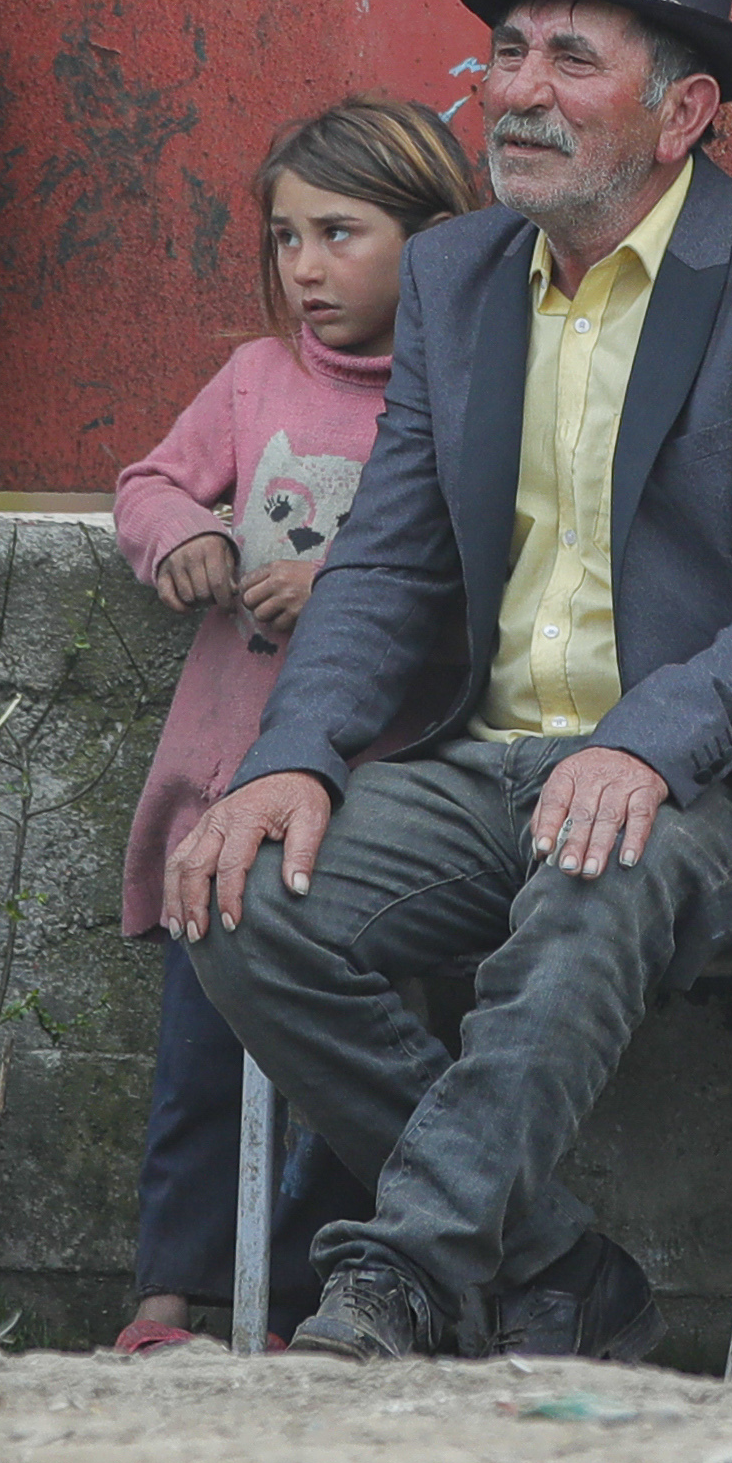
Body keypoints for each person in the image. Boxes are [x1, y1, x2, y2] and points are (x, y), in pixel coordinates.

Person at [166, 0, 732, 1368]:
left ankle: (396, 1278)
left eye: (571, 58)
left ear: (684, 108)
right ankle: (562, 1269)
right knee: (247, 891)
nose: (517, 92)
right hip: (483, 758)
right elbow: (385, 561)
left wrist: (651, 738)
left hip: (711, 778)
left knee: (594, 863)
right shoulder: (459, 275)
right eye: (507, 54)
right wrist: (291, 753)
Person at [103, 91, 483, 1352]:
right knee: (199, 1064)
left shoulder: (462, 399)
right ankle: (168, 1302)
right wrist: (190, 537)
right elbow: (149, 481)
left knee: (343, 1074)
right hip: (224, 775)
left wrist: (349, 585)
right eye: (284, 238)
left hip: (374, 799)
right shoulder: (256, 378)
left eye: (341, 233)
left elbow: (472, 573)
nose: (306, 268)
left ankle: (316, 1304)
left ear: (434, 240)